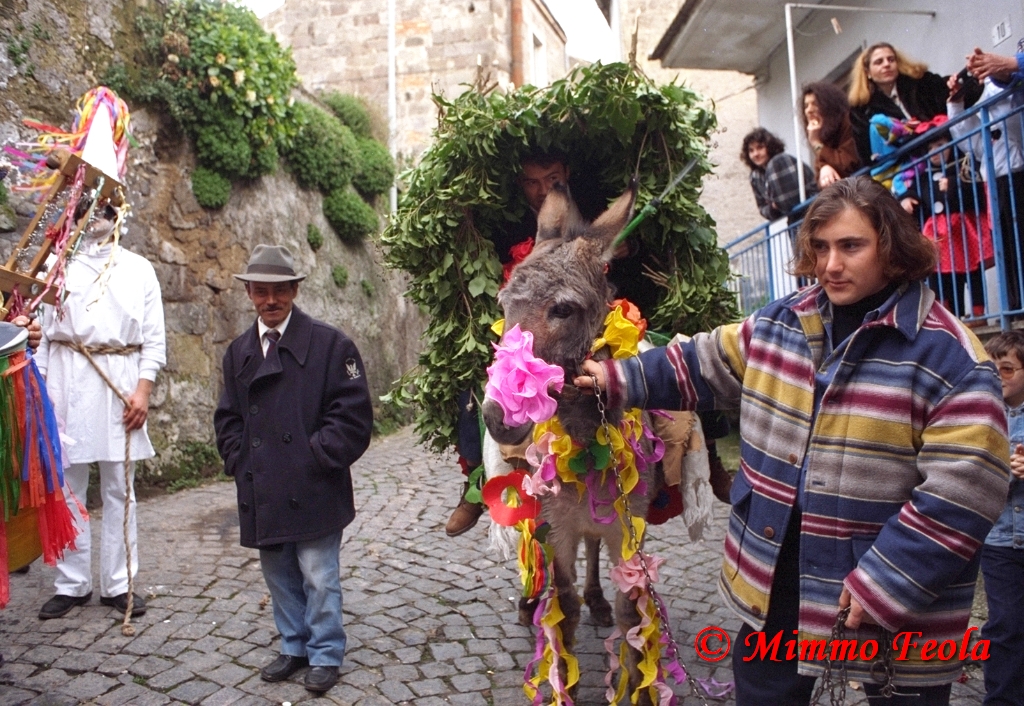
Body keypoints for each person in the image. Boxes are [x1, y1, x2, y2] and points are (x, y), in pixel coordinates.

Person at [577, 176, 1010, 705]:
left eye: (851, 246)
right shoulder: (783, 322)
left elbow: (963, 494)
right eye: (821, 247)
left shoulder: (951, 357)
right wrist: (614, 379)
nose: (831, 264)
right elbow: (701, 362)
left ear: (892, 250)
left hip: (889, 597)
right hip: (775, 576)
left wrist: (884, 584)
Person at [444, 151, 734, 536]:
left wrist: (627, 254)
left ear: (564, 174)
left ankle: (707, 458)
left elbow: (628, 264)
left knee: (680, 370)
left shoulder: (594, 217)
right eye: (531, 181)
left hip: (605, 319)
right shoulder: (508, 226)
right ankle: (476, 485)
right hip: (524, 325)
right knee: (476, 391)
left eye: (550, 178)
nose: (542, 189)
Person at [214, 244, 373, 695]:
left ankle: (325, 653)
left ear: (295, 290)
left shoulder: (330, 345)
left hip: (314, 484)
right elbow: (228, 417)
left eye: (279, 292)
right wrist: (239, 458)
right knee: (279, 573)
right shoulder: (239, 352)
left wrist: (314, 456)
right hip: (263, 485)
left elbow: (353, 416)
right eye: (260, 292)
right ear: (249, 293)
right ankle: (294, 645)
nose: (270, 301)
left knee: (319, 574)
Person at [34, 200, 166, 620]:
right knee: (68, 487)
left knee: (119, 489)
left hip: (119, 385)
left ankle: (119, 582)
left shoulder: (139, 268)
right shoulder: (54, 265)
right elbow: (38, 338)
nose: (98, 217)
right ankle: (72, 583)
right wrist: (39, 395)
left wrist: (143, 391)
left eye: (107, 208)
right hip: (65, 382)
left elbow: (154, 340)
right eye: (89, 208)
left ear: (120, 214)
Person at [948, 64, 1024, 313]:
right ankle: (1017, 307)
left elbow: (1011, 119)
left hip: (1017, 173)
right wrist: (957, 103)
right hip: (999, 181)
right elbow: (971, 143)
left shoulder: (1005, 85)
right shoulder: (983, 99)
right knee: (1009, 246)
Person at [900, 120, 991, 320]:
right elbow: (914, 190)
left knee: (971, 271)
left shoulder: (963, 167)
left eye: (940, 146)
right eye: (931, 148)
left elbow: (975, 191)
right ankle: (950, 316)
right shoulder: (923, 176)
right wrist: (907, 198)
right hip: (937, 233)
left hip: (962, 230)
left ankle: (978, 313)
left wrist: (954, 185)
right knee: (941, 275)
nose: (935, 151)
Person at [980, 331, 1024, 706]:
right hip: (999, 541)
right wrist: (1004, 473)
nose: (999, 377)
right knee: (1006, 625)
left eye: (1007, 369)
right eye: (992, 369)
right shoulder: (980, 417)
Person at [848, 43, 967, 166]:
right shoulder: (862, 110)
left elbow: (952, 91)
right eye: (879, 62)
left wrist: (963, 83)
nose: (886, 64)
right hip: (910, 171)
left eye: (891, 59)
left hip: (951, 154)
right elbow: (866, 154)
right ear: (868, 72)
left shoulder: (921, 82)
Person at [741, 127, 818, 221]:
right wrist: (773, 208)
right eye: (751, 150)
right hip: (794, 220)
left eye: (760, 148)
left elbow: (789, 201)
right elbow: (762, 208)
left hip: (813, 212)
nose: (755, 154)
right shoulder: (755, 177)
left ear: (769, 147)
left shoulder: (781, 162)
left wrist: (777, 204)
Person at [801, 82, 861, 188]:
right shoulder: (822, 133)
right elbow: (820, 180)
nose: (809, 110)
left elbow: (848, 164)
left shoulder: (848, 121)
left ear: (828, 105)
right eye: (806, 106)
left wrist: (816, 143)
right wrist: (824, 167)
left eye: (814, 104)